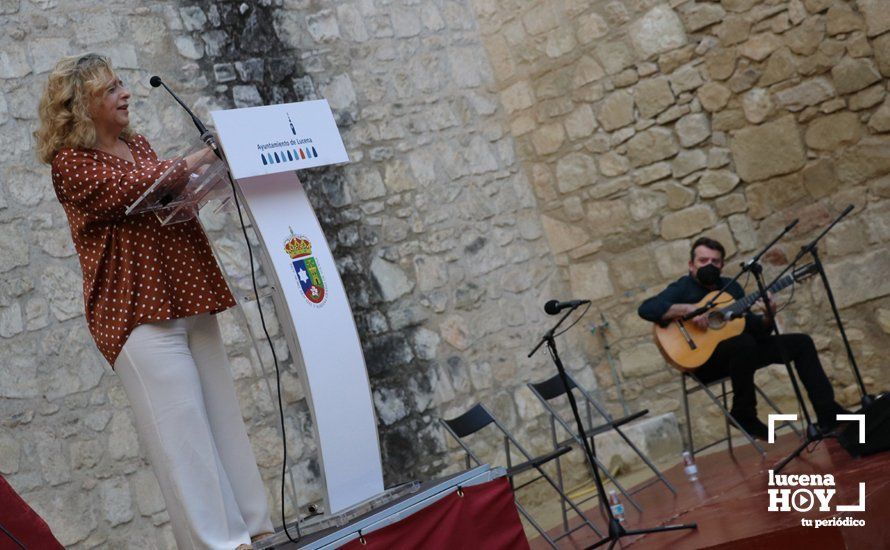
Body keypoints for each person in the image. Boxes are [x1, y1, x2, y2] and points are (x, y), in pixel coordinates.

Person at [35, 53, 274, 549]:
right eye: (111, 89)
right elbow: (136, 187)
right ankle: (222, 545)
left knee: (223, 418)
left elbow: (162, 192)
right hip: (137, 313)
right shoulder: (71, 165)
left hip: (186, 293)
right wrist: (205, 155)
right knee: (183, 439)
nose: (125, 94)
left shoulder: (136, 143)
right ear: (81, 105)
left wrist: (194, 189)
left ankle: (257, 530)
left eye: (123, 84)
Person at [638, 237, 847, 439]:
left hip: (742, 356)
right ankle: (743, 413)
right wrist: (688, 309)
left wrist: (768, 315)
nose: (709, 265)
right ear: (691, 265)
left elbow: (754, 329)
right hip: (703, 363)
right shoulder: (682, 287)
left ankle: (828, 413)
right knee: (743, 344)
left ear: (721, 265)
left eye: (715, 261)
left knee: (801, 343)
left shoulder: (732, 288)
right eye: (703, 261)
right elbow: (646, 309)